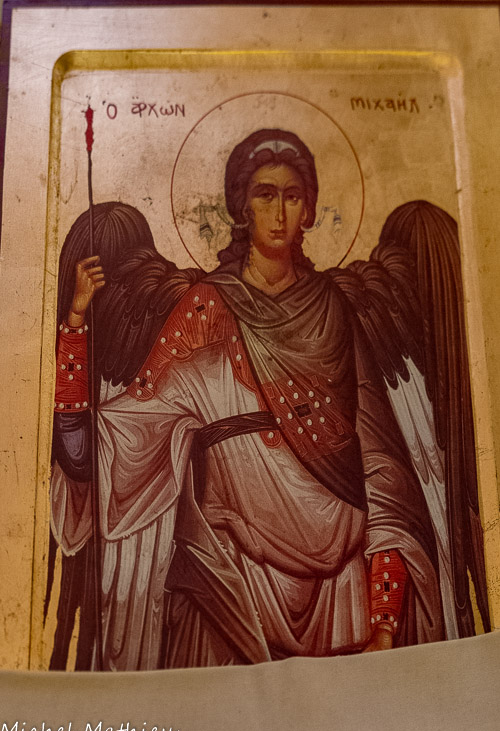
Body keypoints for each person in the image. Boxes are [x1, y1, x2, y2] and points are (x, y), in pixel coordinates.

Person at [50, 129, 462, 671]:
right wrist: (76, 323)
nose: (279, 212)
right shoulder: (206, 308)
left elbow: (380, 464)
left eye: (293, 196)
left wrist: (384, 617)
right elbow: (114, 439)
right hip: (230, 581)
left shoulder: (335, 312)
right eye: (265, 195)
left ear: (309, 210)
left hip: (338, 594)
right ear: (242, 207)